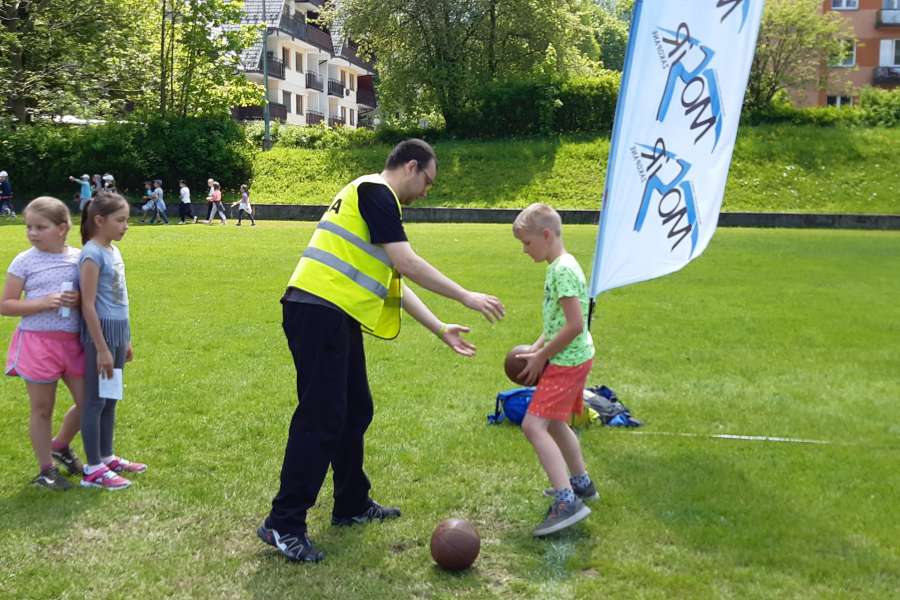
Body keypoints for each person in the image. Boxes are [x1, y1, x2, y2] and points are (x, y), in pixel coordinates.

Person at [257, 138, 506, 563]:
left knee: (355, 410)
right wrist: (465, 296)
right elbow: (407, 263)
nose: (427, 191)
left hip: (331, 313)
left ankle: (352, 503)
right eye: (428, 180)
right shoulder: (376, 191)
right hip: (319, 312)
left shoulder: (373, 198)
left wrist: (440, 327)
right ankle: (284, 522)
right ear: (411, 166)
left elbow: (397, 281)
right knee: (322, 418)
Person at [511, 203, 597, 537]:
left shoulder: (561, 270)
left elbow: (575, 324)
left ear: (546, 235)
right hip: (574, 357)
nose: (524, 250)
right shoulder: (563, 264)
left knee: (533, 426)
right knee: (556, 423)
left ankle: (567, 501)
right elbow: (558, 321)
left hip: (567, 361)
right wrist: (536, 347)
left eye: (527, 243)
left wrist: (541, 357)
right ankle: (581, 484)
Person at [1, 197, 85, 490]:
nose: (32, 233)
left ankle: (60, 445)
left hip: (74, 343)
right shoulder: (24, 261)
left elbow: (94, 299)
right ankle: (46, 470)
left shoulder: (79, 258)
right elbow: (6, 305)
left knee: (89, 403)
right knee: (42, 409)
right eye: (29, 227)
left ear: (62, 228)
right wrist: (40, 303)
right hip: (38, 344)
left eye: (40, 227)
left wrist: (79, 300)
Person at [78, 191, 146, 490]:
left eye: (127, 220)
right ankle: (93, 468)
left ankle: (106, 457)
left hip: (118, 333)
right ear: (99, 220)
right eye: (120, 220)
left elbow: (122, 300)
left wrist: (125, 339)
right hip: (100, 337)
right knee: (95, 401)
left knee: (111, 398)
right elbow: (87, 305)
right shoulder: (91, 253)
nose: (125, 226)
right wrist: (103, 348)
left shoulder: (112, 251)